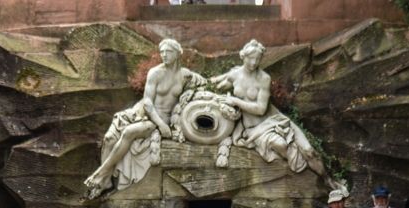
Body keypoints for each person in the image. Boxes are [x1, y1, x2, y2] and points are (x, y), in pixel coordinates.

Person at [85, 38, 204, 197]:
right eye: (162, 52)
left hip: (159, 119)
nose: (164, 55)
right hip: (146, 114)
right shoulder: (155, 73)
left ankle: (100, 175)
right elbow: (147, 102)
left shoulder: (185, 75)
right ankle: (105, 181)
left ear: (177, 54)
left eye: (168, 52)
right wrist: (161, 124)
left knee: (128, 132)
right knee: (108, 138)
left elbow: (204, 85)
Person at [212, 39, 329, 181]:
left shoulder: (264, 79)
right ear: (243, 56)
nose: (254, 63)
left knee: (309, 151)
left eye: (258, 59)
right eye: (251, 59)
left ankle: (330, 182)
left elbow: (261, 109)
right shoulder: (234, 75)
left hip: (274, 120)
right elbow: (214, 84)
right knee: (281, 144)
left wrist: (235, 101)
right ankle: (309, 177)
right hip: (254, 128)